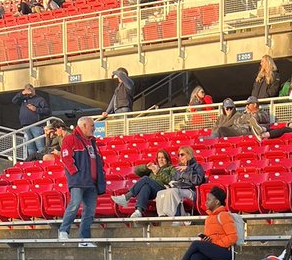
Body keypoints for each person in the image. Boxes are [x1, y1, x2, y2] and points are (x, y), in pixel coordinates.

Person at [160, 186, 240, 260]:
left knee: (196, 244)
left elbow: (233, 237)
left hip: (225, 252)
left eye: (209, 200)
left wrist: (214, 243)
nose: (206, 202)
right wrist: (206, 240)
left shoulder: (224, 215)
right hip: (214, 250)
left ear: (216, 202)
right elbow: (212, 238)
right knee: (195, 258)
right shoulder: (209, 218)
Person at [57, 115, 105, 245]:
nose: (94, 128)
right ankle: (63, 231)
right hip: (78, 181)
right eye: (92, 126)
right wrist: (76, 174)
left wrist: (101, 174)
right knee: (74, 205)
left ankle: (84, 239)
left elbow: (100, 161)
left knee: (89, 212)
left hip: (92, 183)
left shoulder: (92, 142)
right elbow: (66, 158)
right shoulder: (70, 139)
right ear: (84, 126)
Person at [114, 148, 175, 218]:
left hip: (163, 190)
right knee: (145, 187)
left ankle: (126, 197)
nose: (160, 160)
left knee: (145, 178)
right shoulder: (154, 168)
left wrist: (158, 172)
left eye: (163, 158)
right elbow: (137, 171)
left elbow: (170, 180)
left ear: (167, 159)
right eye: (159, 158)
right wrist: (146, 167)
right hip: (152, 191)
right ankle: (138, 211)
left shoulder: (171, 168)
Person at [154, 145, 206, 218]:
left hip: (191, 191)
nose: (180, 157)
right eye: (178, 155)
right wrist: (171, 184)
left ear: (189, 154)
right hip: (179, 188)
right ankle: (162, 215)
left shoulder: (196, 166)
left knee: (172, 192)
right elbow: (174, 179)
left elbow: (198, 180)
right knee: (160, 193)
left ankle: (169, 215)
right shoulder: (178, 167)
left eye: (182, 154)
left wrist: (188, 169)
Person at [11, 83, 51, 159]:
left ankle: (43, 160)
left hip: (36, 125)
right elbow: (14, 100)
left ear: (33, 90)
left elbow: (47, 111)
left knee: (40, 145)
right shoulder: (23, 99)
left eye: (30, 89)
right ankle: (32, 161)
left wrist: (36, 109)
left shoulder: (40, 99)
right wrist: (22, 93)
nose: (28, 92)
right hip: (25, 125)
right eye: (27, 90)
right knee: (30, 146)